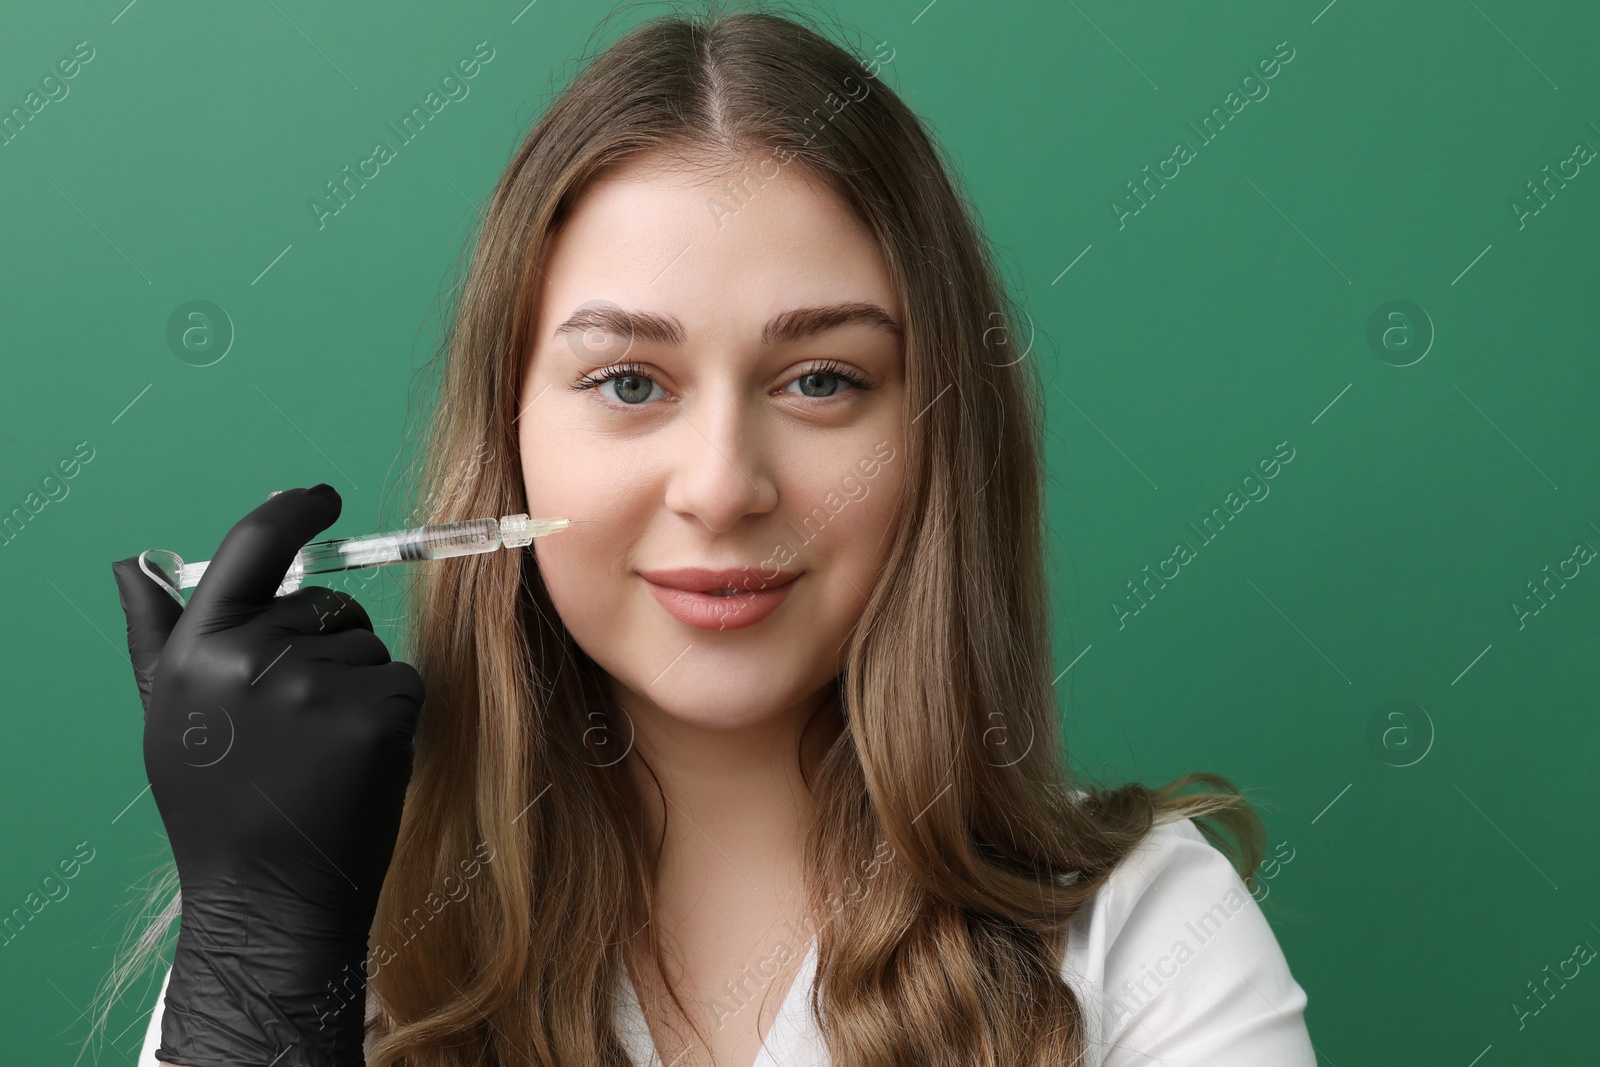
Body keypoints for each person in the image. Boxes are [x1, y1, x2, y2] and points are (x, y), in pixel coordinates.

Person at [105, 4, 1316, 1065]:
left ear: (939, 433)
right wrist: (261, 955)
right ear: (508, 433)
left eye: (823, 380)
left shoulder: (1150, 935)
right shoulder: (321, 920)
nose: (724, 485)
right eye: (631, 382)